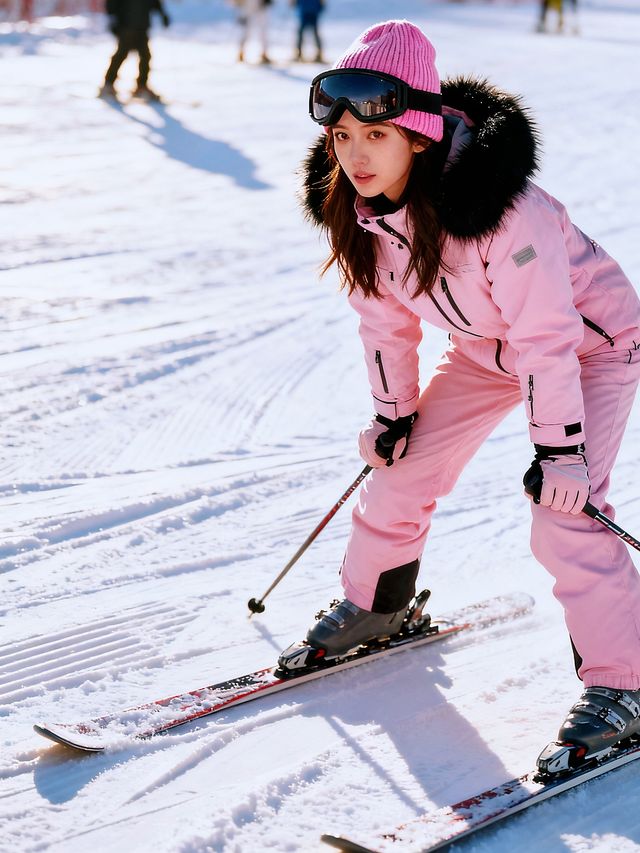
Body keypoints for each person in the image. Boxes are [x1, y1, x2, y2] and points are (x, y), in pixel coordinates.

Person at [278, 20, 640, 771]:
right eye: (341, 139)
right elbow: (383, 319)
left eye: (372, 137)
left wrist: (560, 453)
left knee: (562, 510)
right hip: (486, 350)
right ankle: (379, 601)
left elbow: (548, 337)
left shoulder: (508, 213)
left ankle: (626, 681)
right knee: (401, 471)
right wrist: (391, 413)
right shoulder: (366, 214)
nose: (353, 156)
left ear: (415, 133)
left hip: (591, 348)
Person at [99, 0, 171, 102]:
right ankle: (108, 85)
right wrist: (113, 19)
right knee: (122, 54)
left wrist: (162, 13)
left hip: (142, 24)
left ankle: (141, 86)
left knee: (145, 55)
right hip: (126, 24)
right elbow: (111, 3)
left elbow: (154, 2)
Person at [236, 0, 272, 65]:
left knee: (263, 28)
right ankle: (241, 52)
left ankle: (264, 53)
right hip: (249, 3)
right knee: (247, 28)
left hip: (260, 3)